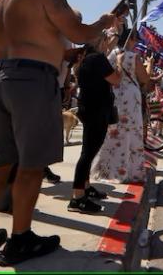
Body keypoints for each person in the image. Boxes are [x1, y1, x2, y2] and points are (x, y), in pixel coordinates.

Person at [0, 0, 119, 266]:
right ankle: (20, 239)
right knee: (31, 165)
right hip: (32, 82)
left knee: (0, 161)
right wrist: (104, 22)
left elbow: (37, 39)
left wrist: (65, 54)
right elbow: (78, 31)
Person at [90, 27, 153, 184]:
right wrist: (149, 65)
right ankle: (131, 172)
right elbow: (145, 78)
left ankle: (107, 169)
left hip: (113, 96)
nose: (137, 42)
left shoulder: (110, 55)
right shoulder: (133, 57)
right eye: (136, 39)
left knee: (113, 132)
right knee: (132, 133)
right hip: (131, 98)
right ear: (130, 39)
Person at [68, 32, 121, 214]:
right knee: (88, 153)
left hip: (89, 109)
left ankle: (85, 186)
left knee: (88, 150)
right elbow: (116, 79)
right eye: (106, 40)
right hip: (96, 110)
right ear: (100, 42)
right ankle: (77, 198)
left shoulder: (88, 58)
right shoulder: (97, 59)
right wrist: (119, 65)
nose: (109, 43)